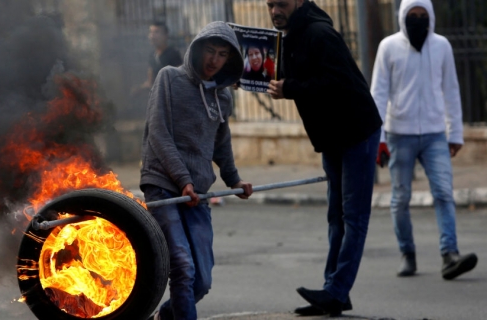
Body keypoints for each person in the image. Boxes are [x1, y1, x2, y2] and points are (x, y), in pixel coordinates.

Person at [265, 0, 382, 316]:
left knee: (354, 218)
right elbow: (289, 78)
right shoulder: (289, 37)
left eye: (282, 3)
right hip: (332, 138)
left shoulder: (319, 34)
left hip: (356, 132)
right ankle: (335, 291)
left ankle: (336, 290)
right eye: (270, 4)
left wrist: (290, 87)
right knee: (336, 216)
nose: (276, 10)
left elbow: (338, 84)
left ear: (299, 2)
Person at [140, 21, 253, 320]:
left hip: (196, 193)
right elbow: (159, 133)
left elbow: (221, 145)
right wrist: (183, 180)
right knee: (182, 265)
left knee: (201, 280)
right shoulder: (169, 78)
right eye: (210, 51)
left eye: (222, 55)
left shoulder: (223, 96)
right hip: (163, 184)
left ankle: (166, 316)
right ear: (198, 48)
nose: (214, 60)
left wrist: (235, 180)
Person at [370, 0, 477, 280]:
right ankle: (407, 253)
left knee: (443, 192)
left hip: (434, 135)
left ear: (430, 17)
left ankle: (449, 254)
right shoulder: (388, 47)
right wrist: (378, 138)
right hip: (398, 134)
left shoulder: (442, 46)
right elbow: (378, 94)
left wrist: (454, 133)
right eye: (412, 15)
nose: (417, 20)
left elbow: (451, 90)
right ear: (402, 17)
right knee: (400, 198)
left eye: (422, 15)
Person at [137, 21, 183, 92]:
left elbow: (180, 79)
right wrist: (139, 89)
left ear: (165, 35)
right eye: (151, 32)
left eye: (156, 32)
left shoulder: (173, 54)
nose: (152, 36)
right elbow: (150, 81)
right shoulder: (152, 55)